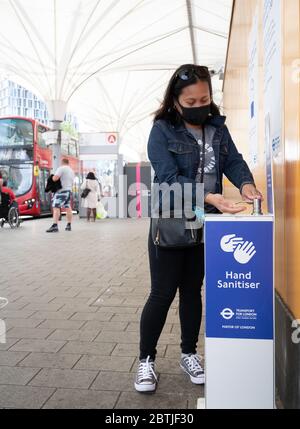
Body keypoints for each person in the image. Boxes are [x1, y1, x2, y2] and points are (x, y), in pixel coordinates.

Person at [134, 64, 263, 393]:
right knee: (162, 293)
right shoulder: (161, 130)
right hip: (172, 218)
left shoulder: (217, 128)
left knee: (193, 291)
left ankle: (189, 353)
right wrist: (210, 196)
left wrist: (246, 183)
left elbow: (232, 159)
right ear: (175, 101)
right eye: (190, 102)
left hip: (208, 221)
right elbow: (167, 179)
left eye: (204, 99)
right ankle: (146, 361)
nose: (199, 106)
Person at [46, 158, 75, 233]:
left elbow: (55, 178)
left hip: (61, 191)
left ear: (62, 162)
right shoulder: (71, 171)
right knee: (68, 207)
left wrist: (51, 177)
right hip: (68, 191)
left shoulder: (61, 168)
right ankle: (69, 225)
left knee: (56, 207)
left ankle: (55, 226)